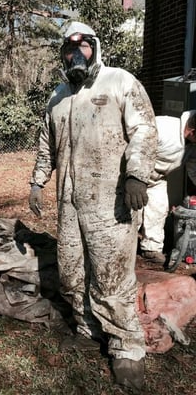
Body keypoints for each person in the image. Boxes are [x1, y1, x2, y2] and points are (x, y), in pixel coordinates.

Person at [28, 21, 157, 392]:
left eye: (81, 46)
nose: (75, 52)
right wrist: (38, 182)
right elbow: (45, 145)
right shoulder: (57, 96)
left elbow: (145, 131)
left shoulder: (120, 82)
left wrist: (136, 175)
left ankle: (126, 348)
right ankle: (88, 329)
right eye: (68, 48)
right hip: (69, 204)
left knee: (111, 276)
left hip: (111, 203)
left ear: (94, 47)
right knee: (71, 270)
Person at [140, 111, 196, 263]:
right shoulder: (163, 127)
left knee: (158, 210)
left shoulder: (192, 145)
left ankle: (151, 249)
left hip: (158, 178)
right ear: (193, 131)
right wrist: (134, 178)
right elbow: (135, 149)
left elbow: (194, 169)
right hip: (134, 176)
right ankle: (123, 250)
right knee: (133, 214)